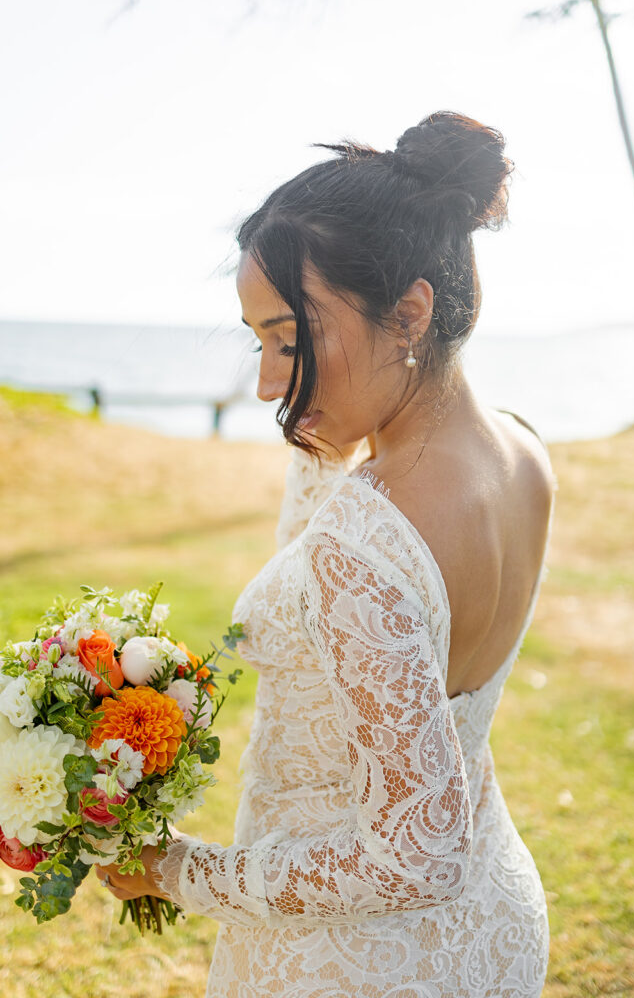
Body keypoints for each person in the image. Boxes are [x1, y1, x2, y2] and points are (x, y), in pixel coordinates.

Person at [96, 110, 558, 997]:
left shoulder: (363, 548)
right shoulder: (520, 450)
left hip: (352, 966)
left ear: (409, 312)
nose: (268, 382)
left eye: (289, 339)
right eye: (259, 341)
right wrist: (320, 416)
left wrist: (175, 869)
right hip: (492, 933)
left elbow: (415, 855)